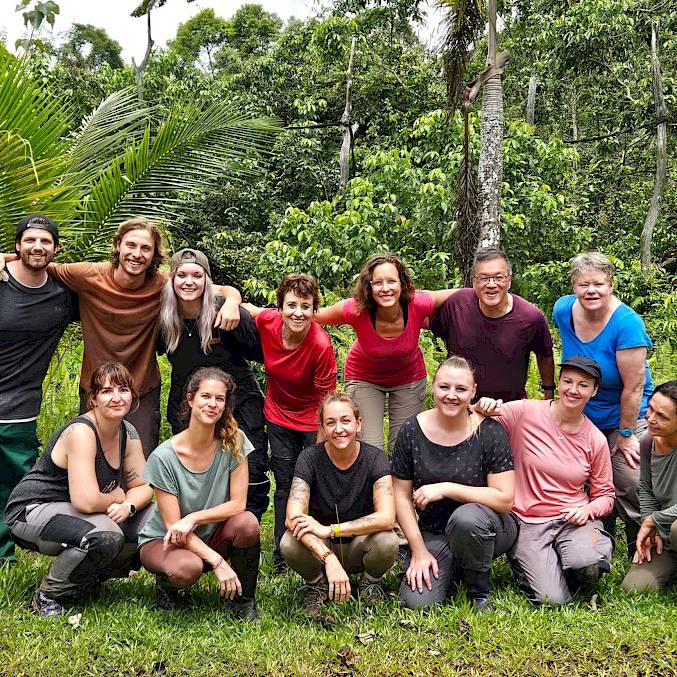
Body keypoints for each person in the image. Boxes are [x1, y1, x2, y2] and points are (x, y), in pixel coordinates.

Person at [1, 216, 243, 457]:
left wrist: (233, 300)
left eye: (145, 248)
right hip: (95, 389)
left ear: (154, 255)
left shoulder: (162, 284)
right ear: (118, 245)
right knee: (92, 460)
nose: (137, 254)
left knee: (140, 465)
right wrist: (6, 257)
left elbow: (214, 288)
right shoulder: (88, 275)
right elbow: (39, 260)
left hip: (141, 390)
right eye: (130, 245)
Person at [5, 363, 153, 617]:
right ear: (93, 399)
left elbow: (144, 486)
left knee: (152, 520)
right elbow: (85, 501)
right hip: (32, 511)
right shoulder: (82, 433)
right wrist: (116, 497)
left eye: (123, 389)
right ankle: (49, 594)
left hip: (81, 510)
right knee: (105, 534)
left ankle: (89, 578)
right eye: (107, 391)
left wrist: (128, 505)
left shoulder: (127, 432)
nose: (117, 398)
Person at [476, 356, 616, 606]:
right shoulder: (524, 411)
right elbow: (476, 420)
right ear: (558, 383)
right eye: (567, 382)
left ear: (594, 391)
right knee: (552, 600)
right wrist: (480, 407)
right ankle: (534, 566)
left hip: (571, 519)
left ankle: (574, 564)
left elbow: (606, 494)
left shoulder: (595, 439)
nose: (573, 390)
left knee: (588, 561)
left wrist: (588, 510)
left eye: (583, 385)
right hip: (528, 520)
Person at [392, 356, 517, 611]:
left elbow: (505, 500)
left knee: (466, 518)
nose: (452, 395)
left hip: (488, 526)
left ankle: (477, 592)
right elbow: (401, 496)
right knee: (416, 603)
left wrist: (446, 488)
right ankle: (454, 566)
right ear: (433, 387)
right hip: (435, 531)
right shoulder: (411, 431)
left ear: (473, 392)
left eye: (461, 389)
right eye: (444, 387)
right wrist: (418, 550)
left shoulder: (489, 431)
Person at [138, 367, 260, 619]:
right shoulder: (164, 457)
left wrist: (194, 517)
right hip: (165, 539)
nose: (212, 404)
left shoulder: (234, 441)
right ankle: (166, 585)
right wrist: (217, 562)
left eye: (220, 399)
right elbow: (174, 527)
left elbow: (238, 504)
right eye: (205, 396)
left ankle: (244, 600)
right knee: (187, 568)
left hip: (209, 532)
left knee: (247, 523)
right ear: (190, 399)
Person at [553, 252, 654, 553]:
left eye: (598, 284)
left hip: (625, 412)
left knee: (627, 478)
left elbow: (634, 386)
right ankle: (597, 537)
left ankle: (646, 541)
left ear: (611, 285)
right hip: (582, 409)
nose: (591, 291)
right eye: (584, 284)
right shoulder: (563, 311)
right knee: (577, 474)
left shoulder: (627, 325)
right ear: (574, 288)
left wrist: (625, 435)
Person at [158, 248, 270, 520]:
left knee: (250, 470)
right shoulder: (162, 318)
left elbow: (266, 355)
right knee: (194, 474)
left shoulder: (228, 315)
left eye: (197, 275)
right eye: (181, 275)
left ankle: (246, 538)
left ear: (207, 281)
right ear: (171, 280)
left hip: (239, 402)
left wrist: (233, 300)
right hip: (188, 403)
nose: (189, 282)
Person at [243, 274, 337, 572]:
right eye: (291, 305)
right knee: (285, 483)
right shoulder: (268, 322)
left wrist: (323, 444)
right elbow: (244, 306)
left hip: (312, 418)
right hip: (278, 414)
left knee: (315, 481)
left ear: (314, 310)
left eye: (305, 306)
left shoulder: (320, 345)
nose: (298, 312)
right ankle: (283, 554)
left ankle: (323, 546)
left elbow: (327, 399)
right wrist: (229, 303)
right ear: (280, 307)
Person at [315, 253, 455, 451]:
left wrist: (492, 291)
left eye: (391, 281)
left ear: (402, 283)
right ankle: (373, 482)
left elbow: (458, 294)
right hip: (364, 377)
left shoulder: (418, 303)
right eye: (378, 283)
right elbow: (311, 315)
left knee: (403, 447)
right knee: (370, 447)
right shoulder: (355, 309)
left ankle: (400, 483)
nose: (386, 288)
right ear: (369, 286)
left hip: (409, 378)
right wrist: (264, 313)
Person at [0, 215, 77, 566]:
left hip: (19, 406)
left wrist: (228, 296)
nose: (37, 247)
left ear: (56, 249)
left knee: (17, 484)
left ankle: (7, 554)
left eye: (46, 242)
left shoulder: (63, 294)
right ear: (17, 246)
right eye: (30, 240)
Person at [282, 392, 398, 616]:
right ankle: (317, 584)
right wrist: (328, 557)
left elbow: (386, 517)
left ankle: (371, 583)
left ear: (359, 423)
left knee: (388, 540)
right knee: (290, 541)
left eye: (346, 421)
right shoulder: (309, 458)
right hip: (322, 546)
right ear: (322, 428)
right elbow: (292, 517)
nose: (339, 429)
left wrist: (332, 529)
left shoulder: (376, 459)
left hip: (360, 543)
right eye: (331, 423)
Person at [431, 246, 555, 402]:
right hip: (460, 406)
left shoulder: (530, 317)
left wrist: (548, 398)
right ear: (473, 281)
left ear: (509, 280)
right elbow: (419, 318)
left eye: (499, 277)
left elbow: (545, 355)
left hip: (508, 409)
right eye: (483, 278)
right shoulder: (457, 304)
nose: (491, 284)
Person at [622, 381, 677, 593]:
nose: (650, 418)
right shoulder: (648, 441)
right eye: (650, 408)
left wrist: (653, 519)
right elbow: (645, 488)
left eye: (662, 416)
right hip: (666, 535)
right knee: (634, 587)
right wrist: (651, 527)